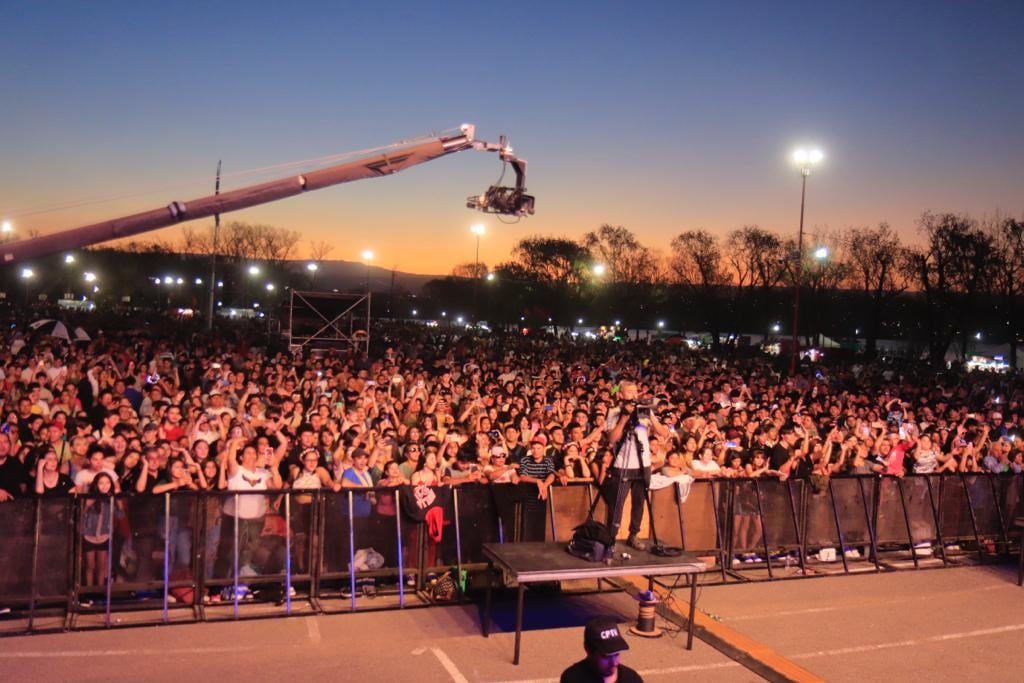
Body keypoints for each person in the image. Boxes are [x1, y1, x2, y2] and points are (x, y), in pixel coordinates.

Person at [601, 380, 667, 550]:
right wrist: (623, 419)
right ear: (621, 394)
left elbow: (662, 432)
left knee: (639, 502)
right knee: (617, 504)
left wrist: (650, 415)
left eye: (635, 391)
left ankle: (634, 535)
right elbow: (611, 439)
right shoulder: (615, 412)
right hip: (622, 465)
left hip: (643, 464)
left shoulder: (643, 411)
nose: (633, 394)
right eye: (629, 391)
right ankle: (611, 538)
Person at [560, 616, 643, 683]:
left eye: (617, 654)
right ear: (588, 650)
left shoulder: (632, 679)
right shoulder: (572, 679)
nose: (614, 663)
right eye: (606, 657)